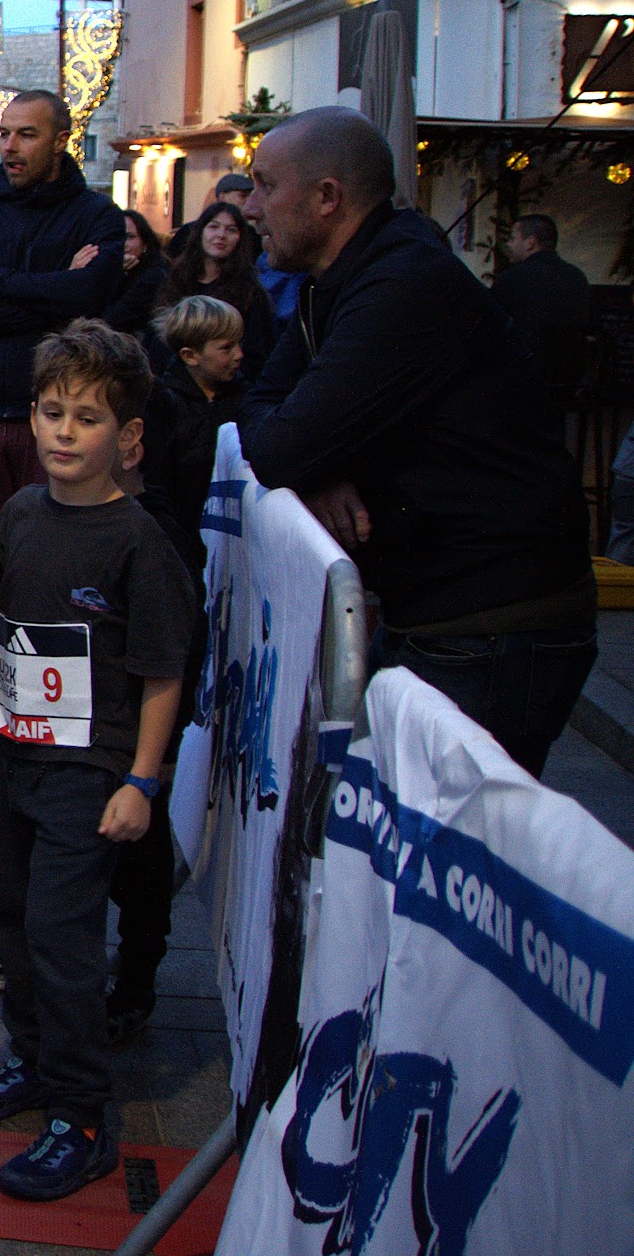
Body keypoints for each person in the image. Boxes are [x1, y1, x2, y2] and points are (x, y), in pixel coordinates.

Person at [241, 107, 596, 778]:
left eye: (264, 184)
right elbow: (261, 401)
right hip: (444, 611)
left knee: (441, 858)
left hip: (489, 619)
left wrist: (307, 457)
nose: (251, 205)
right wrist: (315, 465)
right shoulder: (342, 281)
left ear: (326, 197)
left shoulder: (402, 284)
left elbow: (280, 444)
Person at [0, 320, 197, 1202]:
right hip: (17, 753)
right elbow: (2, 633)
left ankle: (82, 1117)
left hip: (91, 771)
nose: (61, 431)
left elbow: (163, 670)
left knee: (61, 936)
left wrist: (142, 779)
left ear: (125, 439)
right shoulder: (18, 514)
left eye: (85, 418)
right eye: (50, 411)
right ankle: (34, 1057)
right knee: (9, 916)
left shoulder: (140, 542)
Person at [0, 90, 126, 643]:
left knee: (62, 564)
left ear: (61, 140)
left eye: (26, 134)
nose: (10, 147)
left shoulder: (97, 216)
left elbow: (90, 294)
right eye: (4, 134)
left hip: (60, 420)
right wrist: (55, 290)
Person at [141, 295, 246, 544]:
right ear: (190, 355)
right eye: (226, 347)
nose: (239, 354)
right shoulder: (164, 410)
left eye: (239, 344)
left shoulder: (245, 399)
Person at [151, 202, 277, 385]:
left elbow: (257, 352)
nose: (221, 235)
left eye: (231, 230)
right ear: (200, 231)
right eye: (213, 227)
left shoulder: (250, 291)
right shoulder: (176, 281)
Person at [490, 213, 593, 404]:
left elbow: (490, 325)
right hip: (568, 379)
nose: (509, 245)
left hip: (521, 379)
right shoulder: (577, 277)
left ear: (530, 242)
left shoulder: (511, 279)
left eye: (513, 239)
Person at [98, 211, 169, 339]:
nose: (123, 243)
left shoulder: (154, 275)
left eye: (130, 237)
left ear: (145, 244)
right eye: (116, 236)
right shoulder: (102, 266)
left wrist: (114, 274)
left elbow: (113, 318)